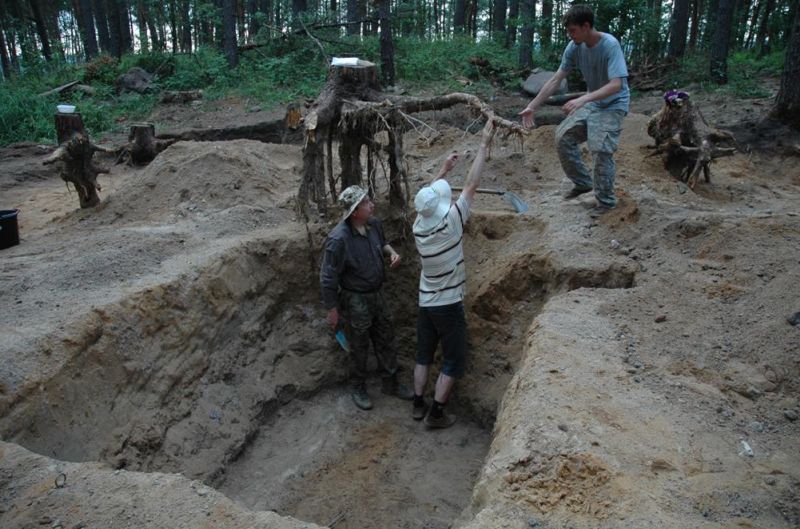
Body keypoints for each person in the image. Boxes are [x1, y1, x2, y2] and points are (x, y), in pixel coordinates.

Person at [411, 120, 496, 429]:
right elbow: (471, 185)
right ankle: (436, 414)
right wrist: (484, 146)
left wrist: (443, 171)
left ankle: (418, 403)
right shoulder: (452, 223)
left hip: (426, 303)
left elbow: (426, 205)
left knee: (423, 355)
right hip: (448, 305)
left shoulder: (419, 228)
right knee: (452, 360)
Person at [518, 4, 629, 216]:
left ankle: (606, 202)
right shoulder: (574, 47)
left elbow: (617, 84)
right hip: (594, 102)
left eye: (573, 30)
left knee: (600, 147)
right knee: (563, 137)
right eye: (568, 31)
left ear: (586, 26)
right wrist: (532, 106)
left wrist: (583, 99)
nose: (570, 35)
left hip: (614, 104)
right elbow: (555, 79)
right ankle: (583, 184)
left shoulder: (610, 45)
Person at [320, 185, 414, 410]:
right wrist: (332, 310)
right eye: (365, 203)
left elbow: (382, 243)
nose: (372, 204)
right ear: (354, 212)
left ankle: (390, 383)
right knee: (359, 345)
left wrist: (392, 253)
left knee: (386, 338)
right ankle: (358, 387)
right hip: (355, 300)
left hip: (377, 294)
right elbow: (327, 277)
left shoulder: (373, 225)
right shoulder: (338, 240)